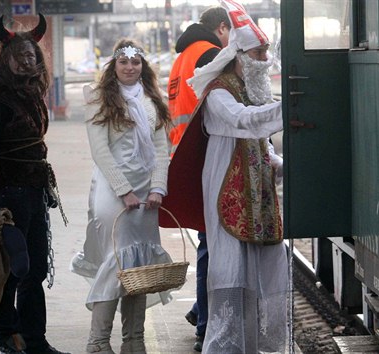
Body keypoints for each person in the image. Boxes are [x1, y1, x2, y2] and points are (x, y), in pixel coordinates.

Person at [161, 0, 287, 352]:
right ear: (240, 55)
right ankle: (226, 345)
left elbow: (259, 142)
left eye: (265, 53)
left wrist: (276, 162)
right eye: (259, 53)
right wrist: (290, 105)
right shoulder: (218, 92)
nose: (265, 61)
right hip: (227, 194)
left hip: (255, 195)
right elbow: (246, 121)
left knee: (258, 270)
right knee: (231, 272)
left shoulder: (249, 89)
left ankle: (253, 343)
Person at [0, 14, 69, 354]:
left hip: (34, 193)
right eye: (20, 57)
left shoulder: (31, 96)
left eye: (32, 57)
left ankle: (34, 340)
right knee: (12, 269)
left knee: (35, 269)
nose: (27, 61)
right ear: (6, 61)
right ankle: (7, 337)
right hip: (7, 197)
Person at [76, 38, 172, 354]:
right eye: (123, 62)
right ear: (113, 66)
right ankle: (98, 342)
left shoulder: (152, 100)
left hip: (146, 194)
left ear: (143, 67)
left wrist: (158, 187)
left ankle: (134, 341)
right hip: (111, 190)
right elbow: (100, 150)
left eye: (135, 62)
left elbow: (161, 148)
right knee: (113, 261)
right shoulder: (98, 99)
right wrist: (124, 190)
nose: (130, 68)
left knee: (139, 268)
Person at [166, 6, 230, 352]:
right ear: (222, 28)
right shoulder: (211, 54)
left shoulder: (182, 58)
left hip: (187, 157)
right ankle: (206, 325)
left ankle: (198, 311)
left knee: (209, 244)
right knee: (213, 248)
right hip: (208, 158)